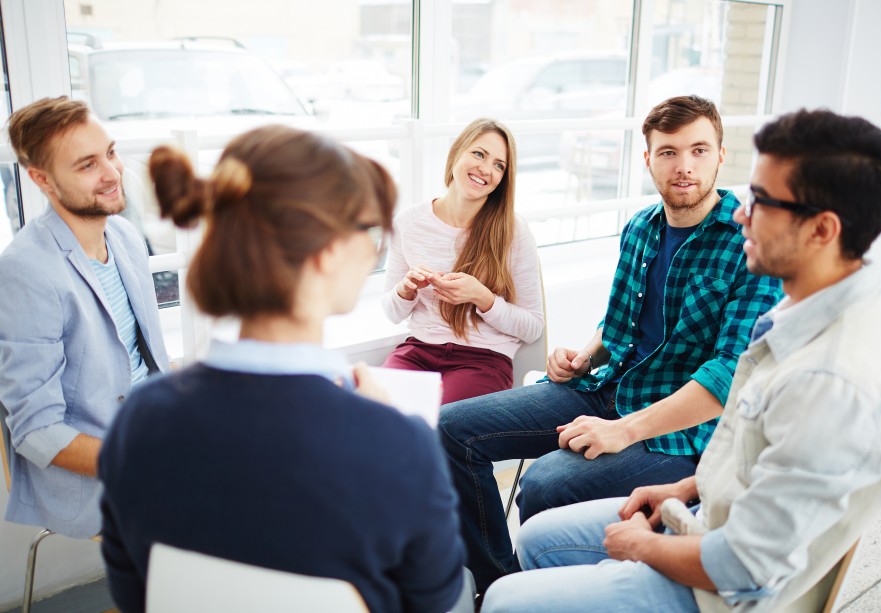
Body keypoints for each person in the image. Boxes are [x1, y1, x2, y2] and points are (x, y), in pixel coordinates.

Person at [481, 108, 881, 613]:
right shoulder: (807, 309)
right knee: (536, 538)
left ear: (822, 230)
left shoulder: (832, 379)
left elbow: (746, 568)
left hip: (717, 592)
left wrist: (645, 546)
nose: (740, 214)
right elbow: (757, 458)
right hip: (705, 511)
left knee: (503, 601)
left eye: (761, 202)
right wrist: (686, 487)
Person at [97, 125, 471, 613]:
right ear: (328, 252)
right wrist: (387, 427)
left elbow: (133, 593)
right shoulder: (398, 446)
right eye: (371, 231)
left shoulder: (138, 420)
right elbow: (433, 599)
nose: (376, 249)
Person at [439, 96, 784, 593]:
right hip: (607, 388)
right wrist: (584, 355)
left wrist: (622, 430)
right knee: (452, 428)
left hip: (679, 430)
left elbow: (729, 373)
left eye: (698, 151)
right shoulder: (641, 228)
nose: (683, 166)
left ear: (721, 156)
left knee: (544, 484)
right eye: (667, 152)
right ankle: (499, 586)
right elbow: (618, 323)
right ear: (647, 160)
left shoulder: (748, 242)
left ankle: (552, 594)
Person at [0, 96, 168, 539]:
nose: (112, 174)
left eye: (110, 153)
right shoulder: (27, 272)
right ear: (42, 179)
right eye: (87, 165)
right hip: (103, 470)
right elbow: (37, 431)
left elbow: (144, 363)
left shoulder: (126, 236)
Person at [381, 118, 544, 404]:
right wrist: (406, 290)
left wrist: (483, 299)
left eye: (498, 165)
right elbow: (392, 313)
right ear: (457, 152)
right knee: (374, 415)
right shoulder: (409, 223)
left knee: (443, 426)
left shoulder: (514, 232)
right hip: (419, 352)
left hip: (483, 360)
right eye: (479, 154)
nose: (485, 169)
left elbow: (533, 327)